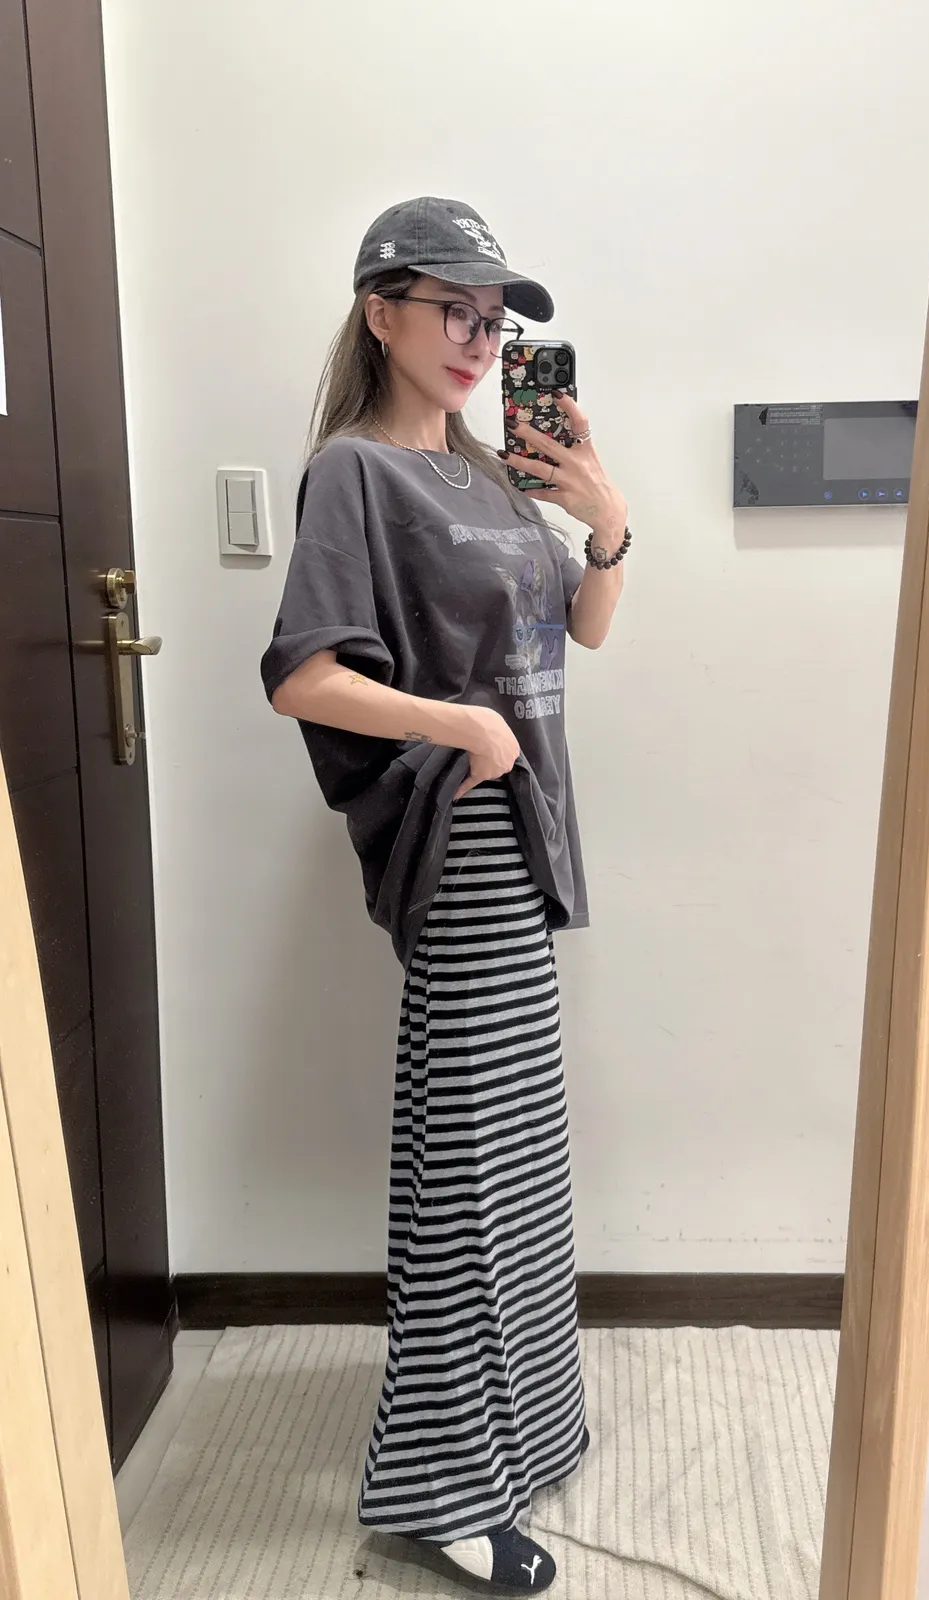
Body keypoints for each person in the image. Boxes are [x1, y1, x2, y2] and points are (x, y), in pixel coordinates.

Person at [260, 196, 630, 1594]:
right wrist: (458, 724)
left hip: (528, 835)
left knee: (508, 1148)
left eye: (494, 319)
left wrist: (605, 523)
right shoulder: (354, 473)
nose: (479, 339)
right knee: (473, 1153)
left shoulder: (488, 472)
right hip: (465, 833)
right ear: (381, 312)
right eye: (453, 311)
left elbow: (579, 630)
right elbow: (303, 675)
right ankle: (440, 1494)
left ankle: (521, 1430)